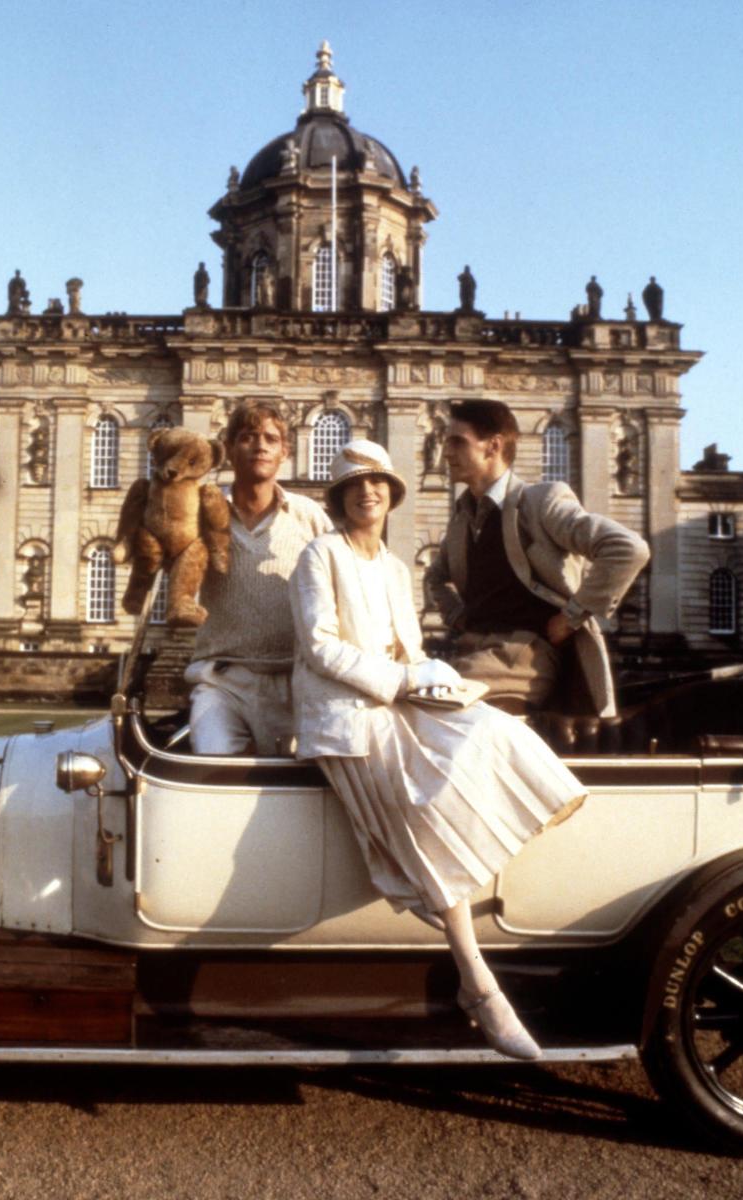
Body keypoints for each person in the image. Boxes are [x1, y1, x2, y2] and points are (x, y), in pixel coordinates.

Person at [289, 440, 587, 1060]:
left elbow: (411, 650)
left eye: (378, 482)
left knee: (493, 731)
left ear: (392, 496)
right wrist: (404, 681)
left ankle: (495, 909)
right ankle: (478, 982)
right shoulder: (319, 554)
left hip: (400, 700)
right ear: (341, 498)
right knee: (422, 807)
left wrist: (444, 680)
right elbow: (320, 647)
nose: (367, 491)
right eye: (355, 484)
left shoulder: (396, 569)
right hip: (345, 714)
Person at [425, 400, 649, 717]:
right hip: (471, 651)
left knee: (426, 707)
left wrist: (573, 615)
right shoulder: (463, 517)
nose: (445, 452)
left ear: (493, 446)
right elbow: (435, 577)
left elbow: (627, 548)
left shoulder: (540, 502)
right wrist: (459, 618)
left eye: (457, 441)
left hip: (524, 656)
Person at [185, 402, 332, 755]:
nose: (260, 446)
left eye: (270, 438)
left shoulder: (309, 516)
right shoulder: (203, 512)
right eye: (248, 437)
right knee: (212, 762)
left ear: (285, 450)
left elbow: (336, 588)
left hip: (296, 679)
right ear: (229, 449)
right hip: (223, 680)